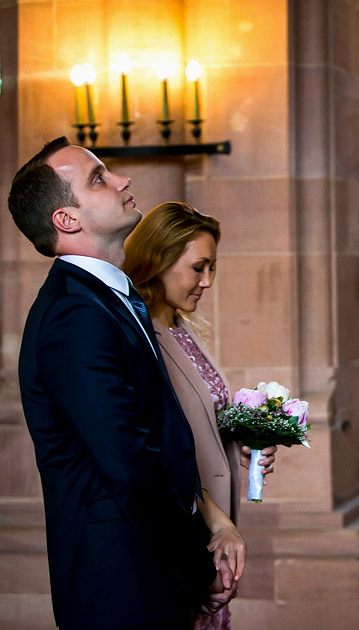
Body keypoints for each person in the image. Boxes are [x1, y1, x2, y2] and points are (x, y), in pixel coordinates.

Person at [7, 137, 237, 628]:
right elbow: (131, 466)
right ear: (67, 220)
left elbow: (162, 438)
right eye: (98, 178)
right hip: (120, 583)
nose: (122, 180)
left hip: (146, 569)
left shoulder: (108, 299)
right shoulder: (74, 315)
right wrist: (199, 566)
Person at [123, 202, 278, 630]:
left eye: (212, 268)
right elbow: (153, 444)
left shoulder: (182, 327)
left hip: (216, 532)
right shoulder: (140, 337)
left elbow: (203, 424)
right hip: (184, 529)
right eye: (198, 268)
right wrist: (213, 520)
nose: (207, 282)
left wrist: (246, 449)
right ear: (159, 259)